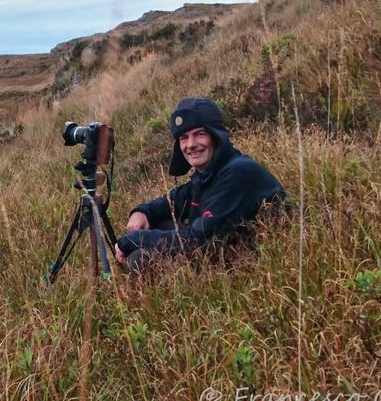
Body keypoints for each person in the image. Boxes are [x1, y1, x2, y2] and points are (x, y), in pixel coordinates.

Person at [114, 97, 285, 271]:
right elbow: (175, 200)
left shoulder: (236, 172)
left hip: (251, 260)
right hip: (217, 246)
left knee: (140, 259)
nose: (191, 145)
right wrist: (143, 212)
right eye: (183, 138)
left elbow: (198, 241)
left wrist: (133, 240)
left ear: (216, 136)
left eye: (200, 134)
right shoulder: (209, 172)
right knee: (154, 225)